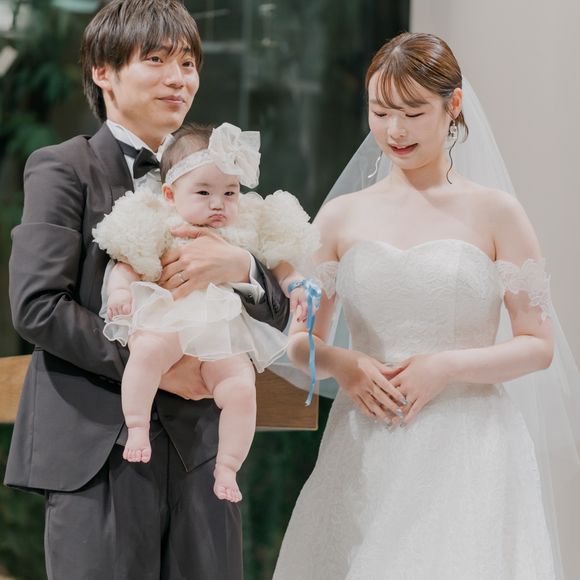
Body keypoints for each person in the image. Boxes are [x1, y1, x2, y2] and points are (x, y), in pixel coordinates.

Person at [273, 32, 578, 579]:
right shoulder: (341, 217)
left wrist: (445, 366)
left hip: (470, 447)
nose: (395, 131)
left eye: (412, 113)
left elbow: (539, 345)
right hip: (366, 446)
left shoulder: (497, 213)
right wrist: (345, 363)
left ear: (452, 105)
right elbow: (300, 343)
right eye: (380, 112)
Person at [5, 1, 289, 578]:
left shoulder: (218, 181)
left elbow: (279, 313)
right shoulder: (64, 167)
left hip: (204, 455)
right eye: (156, 60)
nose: (178, 78)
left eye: (188, 63)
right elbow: (38, 307)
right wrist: (159, 365)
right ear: (103, 72)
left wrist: (240, 264)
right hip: (98, 451)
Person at [93, 121, 318, 502]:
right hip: (170, 317)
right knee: (147, 352)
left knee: (241, 387)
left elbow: (279, 262)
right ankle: (136, 425)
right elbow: (127, 261)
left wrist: (295, 283)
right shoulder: (160, 221)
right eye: (204, 192)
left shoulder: (245, 226)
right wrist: (119, 291)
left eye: (230, 192)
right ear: (170, 193)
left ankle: (228, 465)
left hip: (222, 332)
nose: (218, 203)